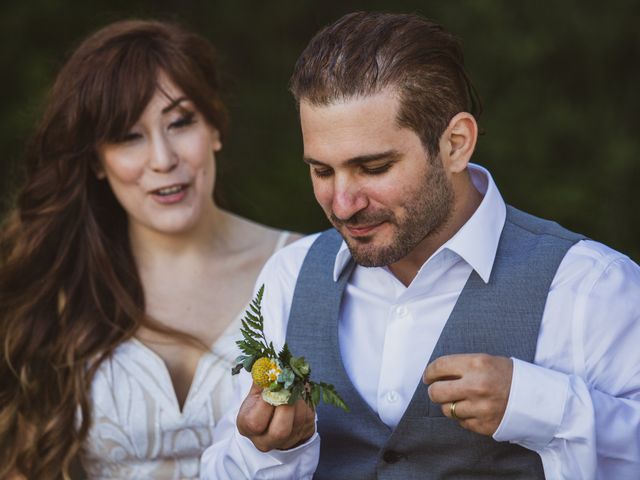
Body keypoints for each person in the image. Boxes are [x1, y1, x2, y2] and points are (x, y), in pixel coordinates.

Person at [201, 11, 640, 480]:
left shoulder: (590, 286)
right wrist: (274, 451)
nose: (343, 205)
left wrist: (543, 405)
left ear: (455, 144)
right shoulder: (288, 277)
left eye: (373, 168)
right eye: (322, 171)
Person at [0, 19, 317, 480]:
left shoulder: (306, 268)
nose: (163, 159)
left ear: (215, 127)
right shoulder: (59, 286)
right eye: (129, 136)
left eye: (180, 122)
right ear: (97, 161)